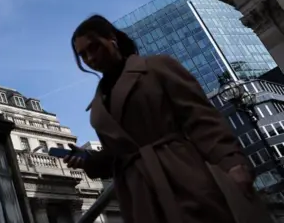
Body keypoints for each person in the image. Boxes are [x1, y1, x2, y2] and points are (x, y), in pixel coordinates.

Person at [66, 14, 270, 223]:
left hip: (181, 173)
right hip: (139, 195)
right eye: (83, 55)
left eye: (94, 48)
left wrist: (231, 160)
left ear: (111, 39)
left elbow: (200, 118)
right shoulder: (99, 101)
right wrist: (88, 159)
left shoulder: (156, 67)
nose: (90, 58)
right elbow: (117, 154)